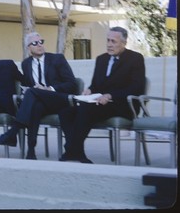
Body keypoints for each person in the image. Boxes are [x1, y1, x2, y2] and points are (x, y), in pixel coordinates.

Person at [58, 26, 146, 164]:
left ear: (124, 43)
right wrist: (89, 90)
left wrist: (110, 96)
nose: (109, 44)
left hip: (122, 104)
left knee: (86, 109)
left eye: (113, 41)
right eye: (108, 40)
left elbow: (136, 88)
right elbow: (96, 85)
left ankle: (71, 149)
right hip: (99, 103)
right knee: (66, 112)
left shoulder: (135, 59)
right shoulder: (101, 59)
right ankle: (77, 152)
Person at [0, 32, 78, 160]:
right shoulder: (26, 64)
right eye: (35, 43)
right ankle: (31, 151)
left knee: (32, 93)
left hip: (59, 100)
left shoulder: (57, 59)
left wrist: (49, 89)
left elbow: (72, 84)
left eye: (41, 42)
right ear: (28, 48)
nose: (39, 45)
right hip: (43, 103)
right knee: (35, 107)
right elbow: (27, 83)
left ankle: (12, 133)